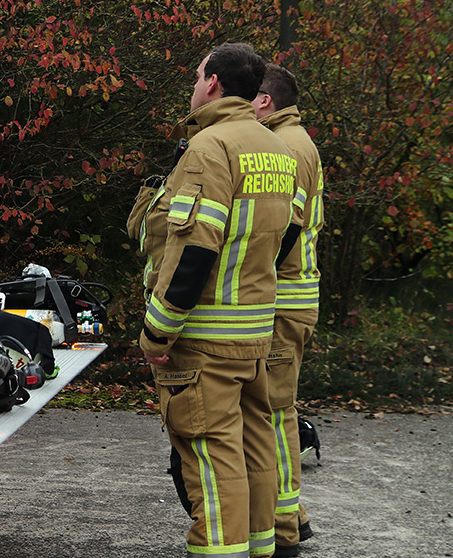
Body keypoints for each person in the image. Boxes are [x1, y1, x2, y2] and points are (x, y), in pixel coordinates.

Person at [138, 43, 297, 558]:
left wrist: (157, 333)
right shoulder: (277, 148)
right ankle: (262, 549)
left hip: (205, 338)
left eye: (196, 73)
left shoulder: (210, 148)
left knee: (211, 458)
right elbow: (287, 236)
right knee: (255, 449)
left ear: (212, 84)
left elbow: (192, 253)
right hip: (254, 333)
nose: (194, 84)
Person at [253, 64, 323, 558]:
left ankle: (283, 527)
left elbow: (289, 228)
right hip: (291, 297)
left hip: (284, 297)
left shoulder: (290, 146)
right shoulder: (294, 139)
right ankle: (291, 515)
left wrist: (254, 278)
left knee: (275, 413)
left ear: (263, 100)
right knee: (277, 411)